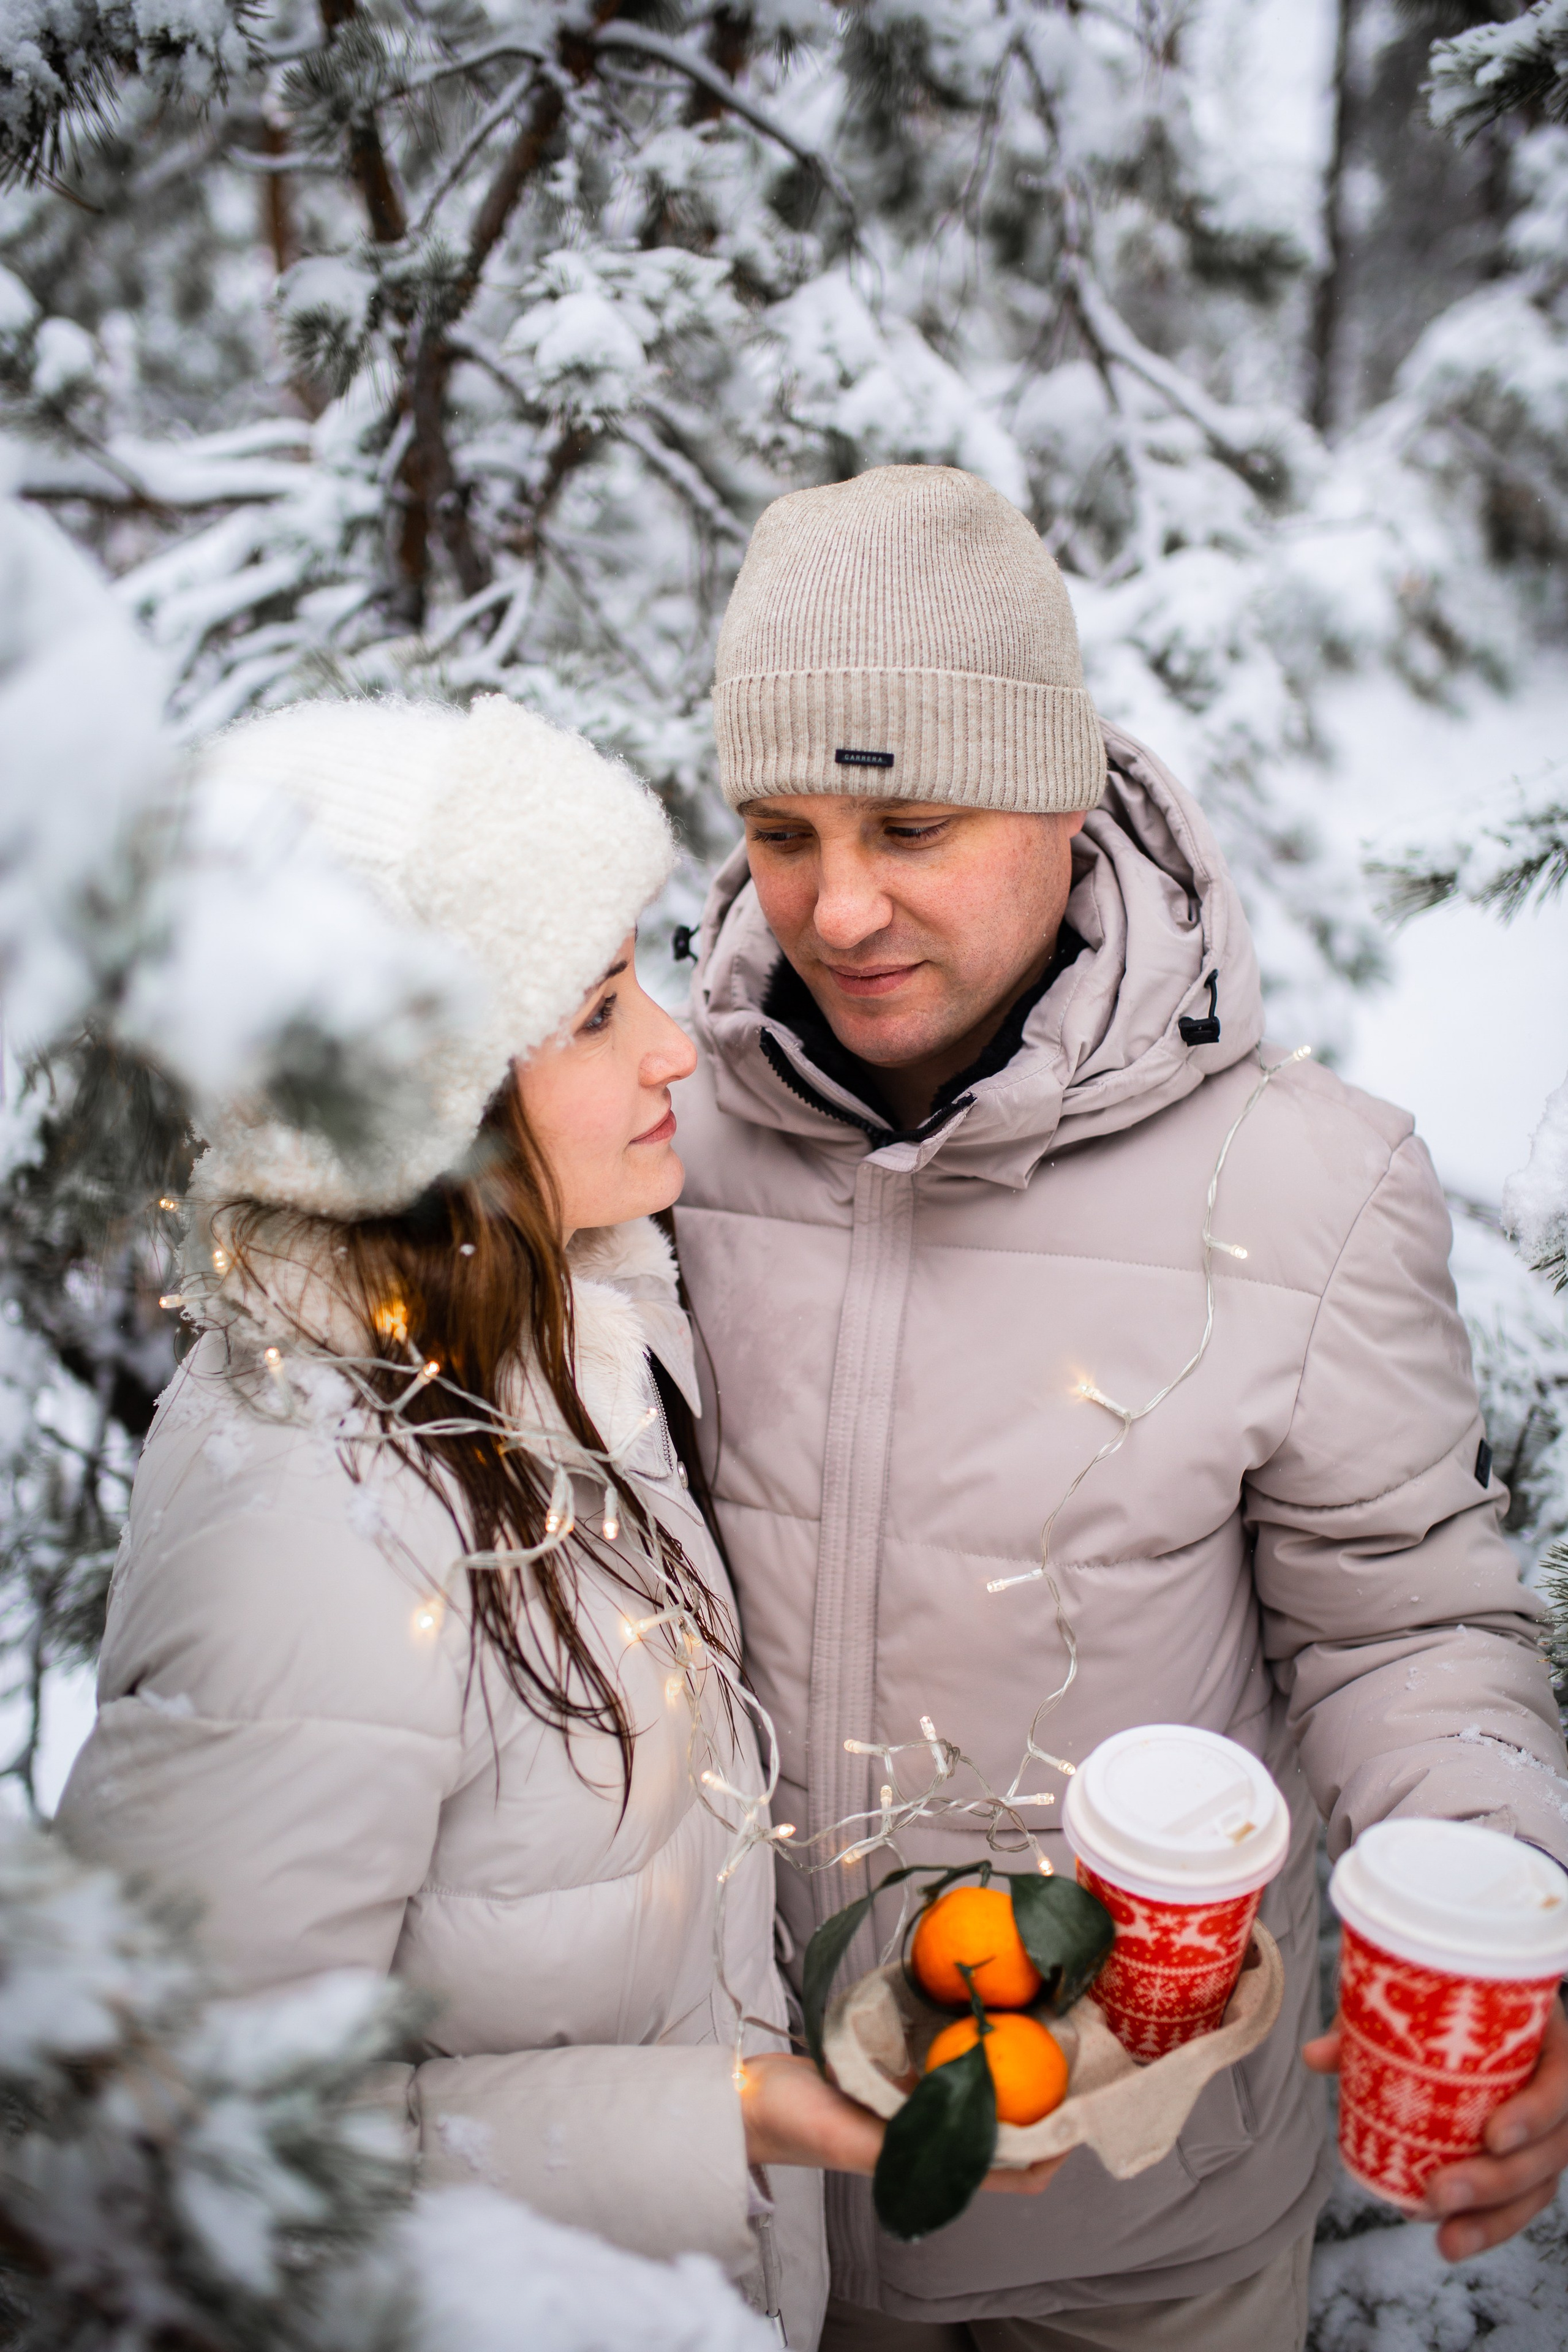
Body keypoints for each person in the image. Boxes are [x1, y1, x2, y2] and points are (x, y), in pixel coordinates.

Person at [669, 466, 1568, 2352]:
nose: (839, 905)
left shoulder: (1302, 1184)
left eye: (912, 825)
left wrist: (1495, 1900)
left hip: (1141, 2220)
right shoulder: (655, 1141)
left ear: (1064, 798)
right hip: (743, 2208)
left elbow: (1402, 1623)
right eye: (780, 831)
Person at [58, 694, 946, 2351]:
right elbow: (187, 2164)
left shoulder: (565, 1342)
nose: (674, 1047)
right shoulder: (314, 1522)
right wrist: (722, 2117)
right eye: (597, 1014)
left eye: (642, 978)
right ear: (423, 1113)